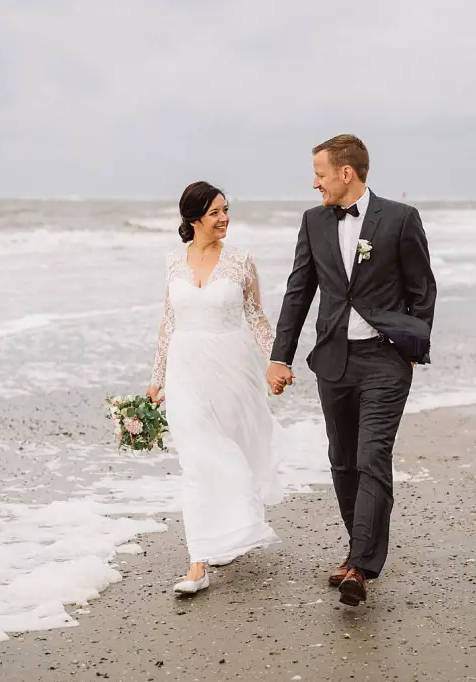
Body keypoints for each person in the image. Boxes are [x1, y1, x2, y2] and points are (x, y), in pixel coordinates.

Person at [266, 134, 437, 607]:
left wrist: (411, 347)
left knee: (372, 458)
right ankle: (357, 550)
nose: (314, 182)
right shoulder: (313, 222)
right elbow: (298, 291)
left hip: (385, 360)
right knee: (342, 461)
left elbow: (423, 289)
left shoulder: (400, 219)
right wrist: (280, 355)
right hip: (334, 361)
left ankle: (360, 566)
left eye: (319, 173)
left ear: (346, 172)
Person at [147, 181, 286, 595]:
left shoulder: (241, 261)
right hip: (185, 371)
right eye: (215, 212)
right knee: (195, 461)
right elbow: (169, 323)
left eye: (226, 210)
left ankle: (229, 531)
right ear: (193, 218)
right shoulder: (173, 262)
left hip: (232, 370)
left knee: (235, 451)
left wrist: (276, 361)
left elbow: (257, 318)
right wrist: (157, 378)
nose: (224, 218)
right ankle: (198, 563)